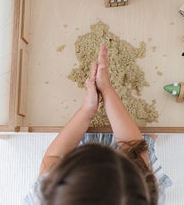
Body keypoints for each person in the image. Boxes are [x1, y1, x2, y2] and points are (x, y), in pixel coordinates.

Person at [24, 44, 172, 205]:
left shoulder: (44, 197)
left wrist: (86, 110)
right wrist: (106, 89)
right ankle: (147, 142)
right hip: (134, 165)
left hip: (91, 159)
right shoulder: (144, 194)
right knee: (144, 143)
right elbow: (133, 147)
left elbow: (54, 156)